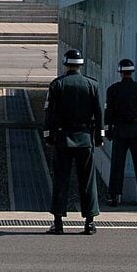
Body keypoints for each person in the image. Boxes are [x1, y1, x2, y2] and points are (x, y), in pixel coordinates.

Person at [43, 48, 103, 235]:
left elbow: (50, 113)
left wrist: (48, 136)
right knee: (87, 181)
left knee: (61, 180)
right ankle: (89, 222)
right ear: (81, 65)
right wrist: (99, 136)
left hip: (63, 138)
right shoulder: (92, 85)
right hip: (85, 137)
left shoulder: (57, 85)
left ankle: (58, 221)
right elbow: (99, 113)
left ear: (65, 63)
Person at [105, 58, 137, 207]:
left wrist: (106, 131)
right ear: (132, 72)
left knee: (117, 165)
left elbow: (108, 113)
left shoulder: (112, 90)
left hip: (119, 131)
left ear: (120, 72)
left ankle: (114, 196)